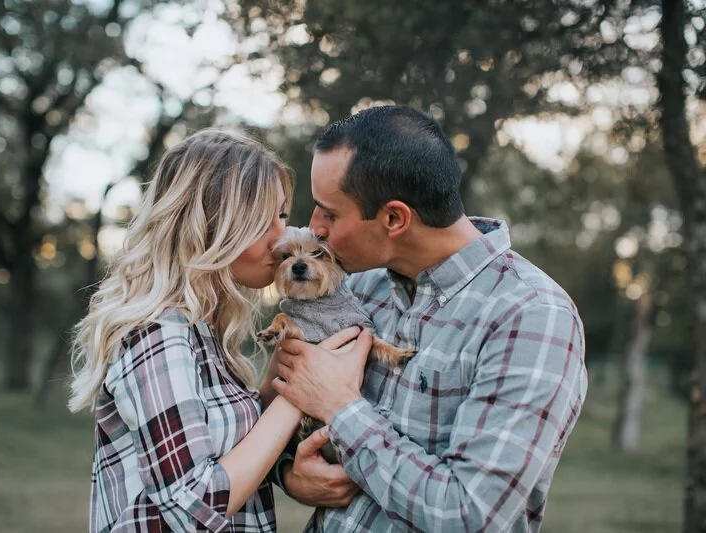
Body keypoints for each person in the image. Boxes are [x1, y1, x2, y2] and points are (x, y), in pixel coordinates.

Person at [269, 105, 588, 532]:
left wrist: (341, 407)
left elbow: (467, 514)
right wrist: (292, 474)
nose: (315, 229)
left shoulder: (531, 317)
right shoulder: (359, 291)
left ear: (394, 218)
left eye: (329, 213)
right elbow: (279, 402)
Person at [67, 129, 371, 533]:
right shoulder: (159, 337)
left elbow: (227, 452)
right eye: (267, 219)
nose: (283, 235)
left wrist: (288, 456)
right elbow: (196, 506)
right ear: (214, 227)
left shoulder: (203, 332)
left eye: (282, 215)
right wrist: (303, 390)